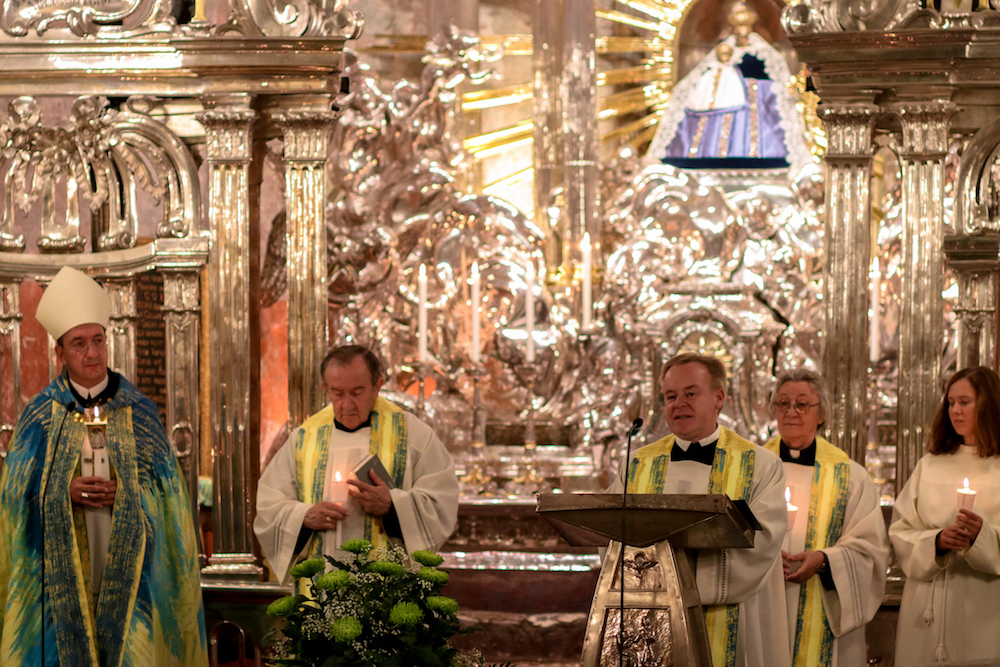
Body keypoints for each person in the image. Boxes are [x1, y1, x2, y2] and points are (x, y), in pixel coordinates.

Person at [0, 266, 207, 666]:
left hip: (132, 580)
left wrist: (130, 494)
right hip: (59, 585)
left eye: (98, 340)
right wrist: (61, 491)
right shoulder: (40, 416)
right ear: (60, 354)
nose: (92, 352)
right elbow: (13, 502)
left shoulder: (141, 413)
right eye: (79, 344)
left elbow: (170, 505)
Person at [608, 352, 790, 667]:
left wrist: (688, 585)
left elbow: (765, 541)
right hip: (650, 620)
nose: (679, 403)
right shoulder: (636, 464)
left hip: (730, 615)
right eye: (670, 396)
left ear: (719, 397)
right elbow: (609, 537)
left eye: (691, 393)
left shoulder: (760, 465)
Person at [254, 345, 460, 584]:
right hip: (319, 589)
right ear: (325, 388)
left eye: (357, 392)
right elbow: (269, 508)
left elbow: (442, 502)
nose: (347, 404)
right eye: (337, 393)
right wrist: (303, 517)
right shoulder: (303, 439)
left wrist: (393, 506)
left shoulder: (412, 435)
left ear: (377, 386)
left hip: (388, 592)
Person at [763, 369, 889, 667]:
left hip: (823, 605)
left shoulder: (850, 476)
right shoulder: (753, 468)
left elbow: (870, 548)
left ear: (822, 415)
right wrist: (762, 556)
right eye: (783, 403)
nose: (791, 411)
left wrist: (825, 559)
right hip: (764, 603)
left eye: (802, 404)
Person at [890, 366, 1000, 665]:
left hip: (984, 610)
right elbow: (900, 531)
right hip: (926, 610)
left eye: (964, 402)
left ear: (988, 403)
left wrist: (981, 536)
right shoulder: (930, 465)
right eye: (950, 402)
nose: (955, 410)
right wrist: (936, 542)